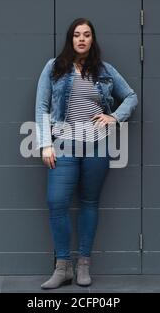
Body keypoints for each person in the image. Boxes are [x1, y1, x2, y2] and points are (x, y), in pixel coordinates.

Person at [35, 18, 138, 289]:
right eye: (77, 35)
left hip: (97, 146)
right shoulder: (54, 67)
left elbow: (130, 97)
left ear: (93, 39)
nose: (81, 39)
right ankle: (62, 267)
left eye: (87, 35)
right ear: (70, 39)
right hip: (64, 145)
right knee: (57, 202)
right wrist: (46, 143)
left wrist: (114, 117)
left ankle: (83, 266)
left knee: (90, 203)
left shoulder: (104, 71)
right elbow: (42, 106)